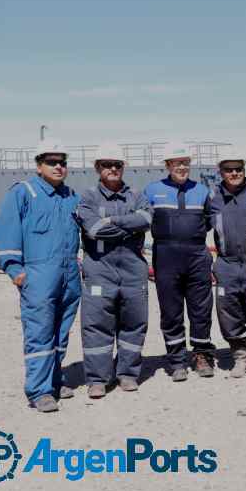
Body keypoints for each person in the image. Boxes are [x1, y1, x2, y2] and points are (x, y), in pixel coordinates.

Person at [0, 139, 81, 412]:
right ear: (39, 165)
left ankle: (55, 380)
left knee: (61, 331)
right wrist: (15, 270)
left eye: (62, 162)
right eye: (51, 162)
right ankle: (39, 390)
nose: (58, 167)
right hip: (38, 274)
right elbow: (7, 231)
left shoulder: (71, 196)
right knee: (39, 332)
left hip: (69, 274)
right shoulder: (24, 193)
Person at [73, 143, 151, 398]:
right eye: (107, 164)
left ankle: (127, 374)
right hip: (99, 271)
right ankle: (98, 379)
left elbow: (147, 220)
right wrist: (129, 226)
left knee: (134, 324)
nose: (113, 169)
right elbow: (93, 230)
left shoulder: (137, 195)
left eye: (117, 164)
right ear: (98, 168)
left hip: (133, 272)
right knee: (97, 326)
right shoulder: (88, 198)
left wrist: (111, 221)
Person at [143, 142, 215, 381]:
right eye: (176, 163)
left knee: (201, 309)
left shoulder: (202, 191)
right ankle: (176, 360)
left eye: (185, 162)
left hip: (196, 254)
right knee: (171, 310)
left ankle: (202, 354)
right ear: (167, 165)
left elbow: (211, 221)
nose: (182, 166)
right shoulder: (152, 190)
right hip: (166, 255)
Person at [209, 150, 246, 379]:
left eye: (238, 169)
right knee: (229, 311)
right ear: (221, 172)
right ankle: (240, 356)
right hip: (227, 263)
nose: (234, 173)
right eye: (229, 169)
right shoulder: (213, 199)